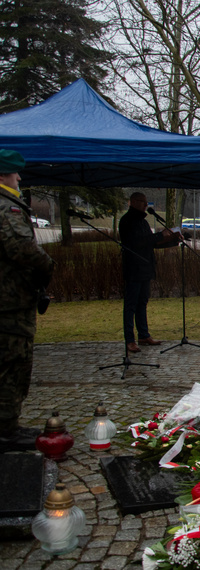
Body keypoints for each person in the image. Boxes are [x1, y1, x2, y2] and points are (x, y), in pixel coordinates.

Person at [0, 149, 55, 452]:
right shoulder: (6, 208)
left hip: (9, 298)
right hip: (9, 303)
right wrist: (47, 265)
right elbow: (22, 248)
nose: (19, 178)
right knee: (13, 363)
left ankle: (7, 425)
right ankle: (6, 430)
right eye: (14, 173)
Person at [119, 192, 180, 353]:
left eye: (146, 203)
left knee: (142, 303)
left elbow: (151, 243)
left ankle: (143, 334)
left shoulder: (143, 222)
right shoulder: (127, 221)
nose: (146, 205)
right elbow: (137, 242)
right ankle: (130, 340)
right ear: (132, 202)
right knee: (131, 305)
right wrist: (160, 235)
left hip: (145, 267)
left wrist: (172, 241)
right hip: (133, 268)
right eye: (142, 202)